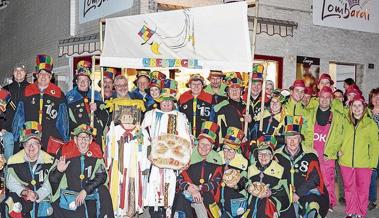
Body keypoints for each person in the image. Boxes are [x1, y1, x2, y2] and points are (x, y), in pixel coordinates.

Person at [142, 79, 192, 217]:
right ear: (159, 101)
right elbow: (143, 137)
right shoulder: (150, 115)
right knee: (153, 191)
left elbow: (187, 140)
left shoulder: (181, 117)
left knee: (171, 194)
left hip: (173, 164)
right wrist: (148, 154)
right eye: (164, 100)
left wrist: (185, 159)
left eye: (170, 101)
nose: (167, 103)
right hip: (153, 163)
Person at [326, 94, 379, 218]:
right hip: (346, 162)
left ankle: (360, 212)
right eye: (354, 105)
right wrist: (337, 150)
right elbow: (338, 137)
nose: (357, 108)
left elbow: (375, 146)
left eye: (359, 105)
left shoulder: (370, 124)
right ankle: (351, 211)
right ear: (350, 107)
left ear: (364, 107)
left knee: (362, 189)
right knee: (349, 189)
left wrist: (373, 164)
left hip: (364, 163)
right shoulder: (345, 122)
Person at [49, 124, 114, 218]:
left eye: (86, 137)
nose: (83, 140)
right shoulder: (65, 153)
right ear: (75, 140)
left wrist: (86, 190)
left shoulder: (96, 153)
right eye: (80, 137)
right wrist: (59, 171)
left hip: (89, 195)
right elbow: (52, 181)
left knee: (103, 191)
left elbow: (102, 176)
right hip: (69, 196)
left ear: (91, 140)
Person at [12, 54, 69, 153]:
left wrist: (65, 139)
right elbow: (19, 117)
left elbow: (63, 121)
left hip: (50, 139)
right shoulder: (27, 91)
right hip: (29, 138)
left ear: (50, 77)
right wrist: (17, 137)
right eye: (41, 73)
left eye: (46, 74)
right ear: (37, 76)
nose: (43, 76)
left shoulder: (59, 94)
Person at [275, 115, 329, 218]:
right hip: (285, 194)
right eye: (289, 138)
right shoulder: (277, 155)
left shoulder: (310, 154)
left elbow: (315, 179)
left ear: (300, 139)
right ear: (285, 139)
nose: (292, 142)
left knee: (313, 205)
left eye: (295, 138)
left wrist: (298, 194)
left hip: (306, 192)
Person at [302, 86, 344, 211]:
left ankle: (329, 202)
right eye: (322, 97)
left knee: (328, 180)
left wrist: (333, 149)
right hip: (312, 151)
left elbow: (339, 135)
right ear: (318, 98)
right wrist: (307, 148)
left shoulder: (337, 116)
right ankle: (312, 200)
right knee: (310, 177)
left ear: (331, 100)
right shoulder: (310, 113)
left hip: (327, 153)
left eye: (327, 98)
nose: (324, 100)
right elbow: (304, 131)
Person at [105, 98, 148, 217]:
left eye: (130, 116)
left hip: (135, 167)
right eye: (124, 117)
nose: (127, 119)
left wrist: (144, 165)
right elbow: (108, 148)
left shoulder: (141, 131)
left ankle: (131, 212)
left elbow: (145, 149)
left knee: (133, 190)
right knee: (118, 191)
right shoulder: (114, 131)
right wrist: (108, 163)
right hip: (119, 168)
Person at [171, 121, 223, 218]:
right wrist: (190, 188)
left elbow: (216, 182)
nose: (204, 147)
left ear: (212, 147)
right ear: (197, 143)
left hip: (207, 197)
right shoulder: (188, 154)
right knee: (181, 199)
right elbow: (178, 177)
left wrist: (199, 188)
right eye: (202, 144)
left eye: (208, 145)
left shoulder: (217, 159)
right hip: (187, 192)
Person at [5, 121, 54, 218]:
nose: (31, 147)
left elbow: (50, 184)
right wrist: (24, 192)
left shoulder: (49, 161)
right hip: (21, 205)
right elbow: (10, 183)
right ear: (23, 145)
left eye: (34, 143)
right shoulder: (14, 161)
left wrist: (37, 194)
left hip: (43, 204)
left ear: (40, 146)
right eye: (27, 143)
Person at [66, 60, 110, 146]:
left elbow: (106, 117)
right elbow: (66, 121)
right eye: (80, 80)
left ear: (89, 82)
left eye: (85, 80)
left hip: (96, 138)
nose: (82, 82)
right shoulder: (69, 97)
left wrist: (97, 108)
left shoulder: (96, 96)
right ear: (76, 82)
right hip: (78, 139)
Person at [244, 142, 290, 217]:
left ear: (271, 156)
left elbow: (284, 190)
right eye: (260, 154)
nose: (263, 156)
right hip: (252, 202)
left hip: (272, 203)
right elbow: (243, 183)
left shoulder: (280, 169)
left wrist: (271, 192)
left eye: (266, 153)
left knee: (263, 205)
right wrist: (248, 187)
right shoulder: (251, 168)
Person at [212, 72, 252, 148]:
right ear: (227, 92)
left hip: (247, 146)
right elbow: (221, 133)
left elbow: (254, 129)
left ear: (241, 91)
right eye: (231, 89)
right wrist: (237, 139)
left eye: (237, 88)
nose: (234, 91)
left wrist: (250, 121)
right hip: (230, 147)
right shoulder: (222, 108)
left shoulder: (248, 107)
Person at [218, 127, 249, 217]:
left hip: (235, 199)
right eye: (225, 149)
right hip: (218, 196)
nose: (227, 153)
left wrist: (236, 186)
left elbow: (244, 182)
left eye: (231, 150)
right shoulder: (217, 157)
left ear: (236, 150)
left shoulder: (243, 162)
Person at [3, 63, 29, 132]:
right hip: (8, 130)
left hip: (26, 129)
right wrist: (2, 127)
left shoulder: (32, 89)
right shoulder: (5, 89)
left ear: (25, 73)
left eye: (21, 70)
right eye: (16, 70)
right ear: (13, 73)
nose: (18, 72)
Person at [368, 87, 379, 210]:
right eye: (375, 97)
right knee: (372, 173)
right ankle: (371, 200)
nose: (377, 100)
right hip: (370, 148)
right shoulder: (367, 113)